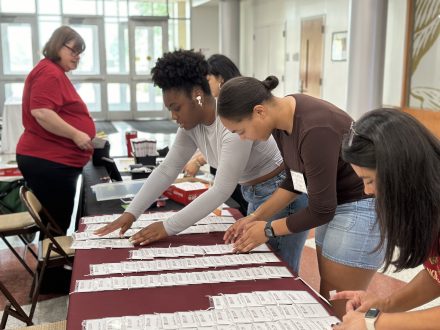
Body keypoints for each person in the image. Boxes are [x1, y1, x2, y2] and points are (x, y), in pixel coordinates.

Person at [95, 50, 308, 273]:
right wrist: (132, 211)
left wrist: (167, 227)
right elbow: (167, 168)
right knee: (263, 266)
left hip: (283, 194)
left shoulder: (230, 120)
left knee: (279, 271)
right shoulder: (191, 125)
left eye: (176, 108)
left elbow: (222, 190)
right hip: (255, 193)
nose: (173, 116)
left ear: (197, 95)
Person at [217, 75, 384, 317]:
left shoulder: (314, 129)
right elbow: (295, 181)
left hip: (361, 207)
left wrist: (267, 229)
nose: (243, 138)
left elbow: (321, 209)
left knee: (340, 306)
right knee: (330, 296)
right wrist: (255, 216)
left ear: (259, 112)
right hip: (339, 204)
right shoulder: (282, 121)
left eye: (240, 131)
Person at [330, 108, 440, 329]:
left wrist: (375, 323)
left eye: (369, 180)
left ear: (400, 172)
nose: (368, 191)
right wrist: (386, 304)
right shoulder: (426, 202)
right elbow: (436, 275)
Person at [16, 26, 95, 234]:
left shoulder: (52, 71)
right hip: (49, 160)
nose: (77, 57)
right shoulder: (49, 72)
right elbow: (41, 111)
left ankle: (55, 264)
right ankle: (56, 266)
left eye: (80, 53)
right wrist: (76, 134)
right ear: (57, 46)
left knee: (55, 220)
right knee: (56, 223)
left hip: (52, 160)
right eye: (73, 51)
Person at [183, 54, 249, 215]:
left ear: (221, 79)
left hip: (247, 180)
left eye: (208, 79)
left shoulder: (237, 104)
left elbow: (229, 144)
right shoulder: (222, 102)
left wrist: (198, 160)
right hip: (242, 181)